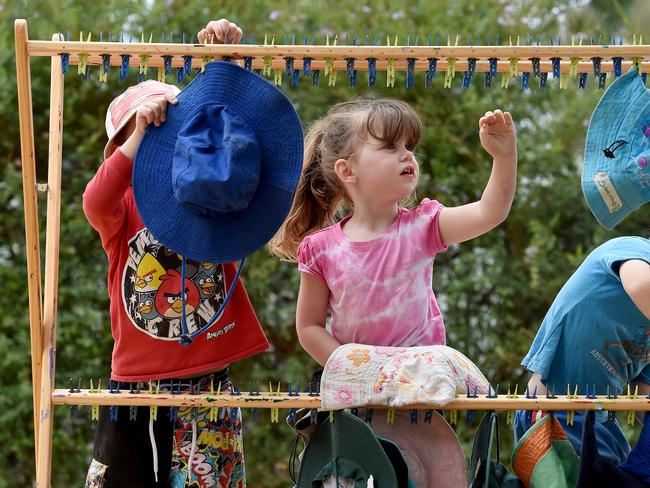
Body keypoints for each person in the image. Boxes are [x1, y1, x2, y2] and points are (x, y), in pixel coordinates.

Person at [83, 19, 278, 488]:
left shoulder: (212, 195)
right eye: (148, 131)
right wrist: (139, 134)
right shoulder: (123, 209)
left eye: (172, 128)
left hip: (207, 382)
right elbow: (95, 199)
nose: (161, 138)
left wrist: (224, 62)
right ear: (121, 150)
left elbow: (243, 136)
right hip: (133, 384)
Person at [270, 98, 517, 366]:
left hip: (419, 386)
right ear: (347, 170)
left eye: (408, 146)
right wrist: (353, 369)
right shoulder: (321, 249)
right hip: (359, 395)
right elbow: (309, 328)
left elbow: (490, 212)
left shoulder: (424, 226)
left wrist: (504, 157)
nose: (408, 154)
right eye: (390, 146)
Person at [516, 236, 650, 464]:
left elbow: (644, 397)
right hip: (552, 411)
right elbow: (640, 285)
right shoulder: (637, 249)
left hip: (600, 422)